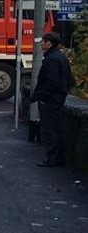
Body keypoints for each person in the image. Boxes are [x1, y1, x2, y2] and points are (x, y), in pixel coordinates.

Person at [32, 32, 73, 168]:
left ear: (49, 43)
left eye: (43, 41)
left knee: (50, 129)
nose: (41, 44)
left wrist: (43, 97)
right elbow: (68, 79)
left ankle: (52, 158)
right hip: (58, 97)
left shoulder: (51, 59)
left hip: (51, 99)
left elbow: (51, 82)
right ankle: (56, 157)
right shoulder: (60, 57)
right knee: (55, 128)